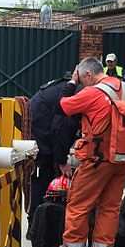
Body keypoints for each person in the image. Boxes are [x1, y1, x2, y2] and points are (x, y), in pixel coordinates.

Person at [49, 57, 125, 247]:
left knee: (78, 205)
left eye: (80, 78)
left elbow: (60, 107)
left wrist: (70, 84)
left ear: (88, 74)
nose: (79, 83)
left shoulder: (92, 93)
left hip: (97, 160)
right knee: (110, 208)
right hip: (122, 158)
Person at [27, 73, 80, 225]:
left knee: (46, 184)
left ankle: (44, 226)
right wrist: (62, 160)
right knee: (41, 184)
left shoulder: (71, 87)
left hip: (42, 135)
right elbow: (62, 128)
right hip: (39, 141)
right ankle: (36, 229)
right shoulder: (75, 95)